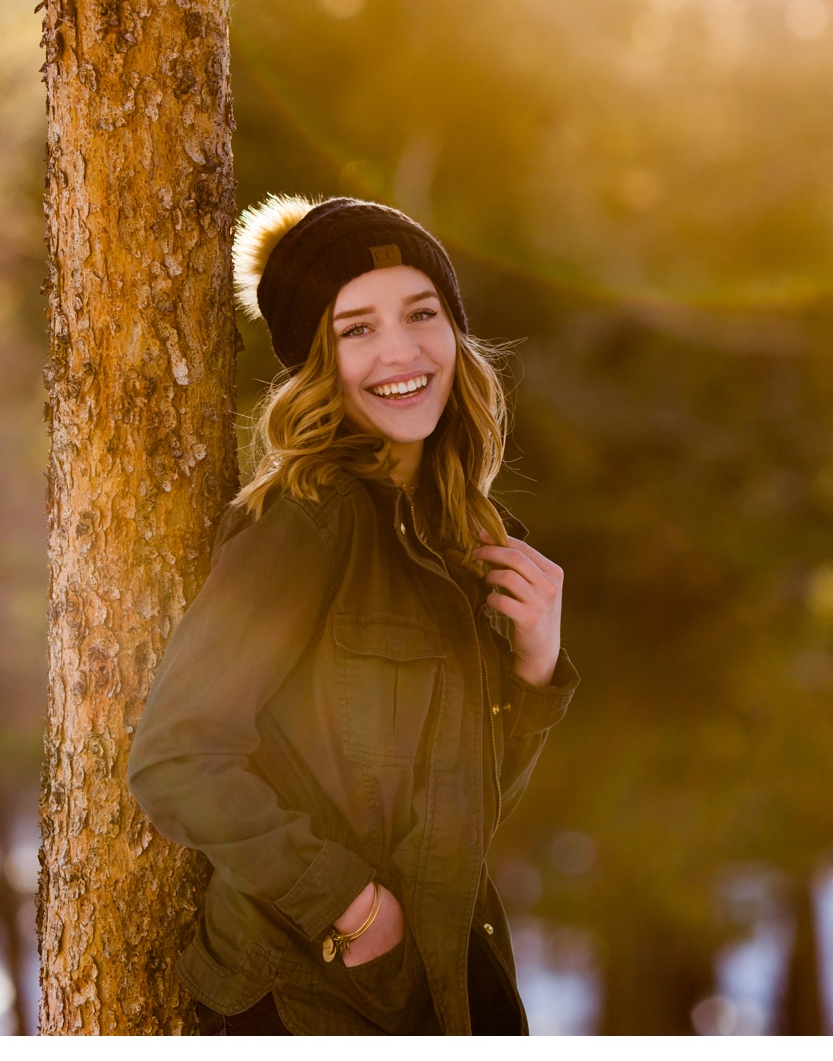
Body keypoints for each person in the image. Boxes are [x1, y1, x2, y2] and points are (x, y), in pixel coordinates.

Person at [127, 195, 576, 1035]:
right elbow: (177, 756)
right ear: (317, 362)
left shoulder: (468, 536)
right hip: (309, 998)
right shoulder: (309, 519)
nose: (401, 352)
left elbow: (464, 810)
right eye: (356, 329)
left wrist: (534, 663)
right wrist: (351, 907)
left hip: (441, 987)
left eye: (422, 313)